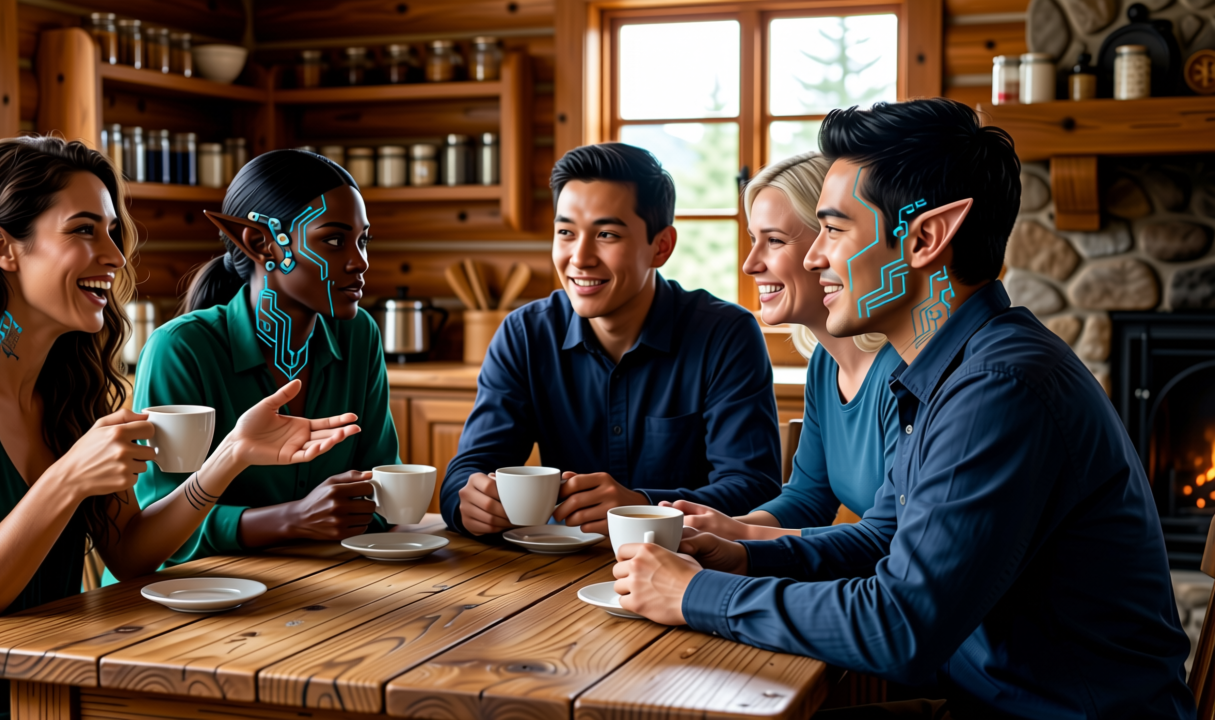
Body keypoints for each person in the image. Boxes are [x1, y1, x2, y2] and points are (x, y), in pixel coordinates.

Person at [611, 98, 1195, 718]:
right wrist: (746, 553)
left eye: (834, 230)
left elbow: (899, 628)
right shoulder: (949, 370)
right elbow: (885, 536)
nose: (814, 256)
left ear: (924, 238)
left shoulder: (998, 388)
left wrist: (699, 593)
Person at [0, 137, 361, 720]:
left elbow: (128, 553)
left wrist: (228, 457)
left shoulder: (67, 391)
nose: (115, 256)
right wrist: (68, 478)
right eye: (83, 231)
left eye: (111, 231)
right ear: (0, 245)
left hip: (41, 689)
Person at [441, 142, 782, 538]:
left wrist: (642, 507)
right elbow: (469, 471)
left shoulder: (725, 334)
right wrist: (467, 502)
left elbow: (754, 490)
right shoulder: (525, 334)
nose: (580, 257)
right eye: (566, 232)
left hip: (688, 570)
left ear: (661, 246)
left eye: (605, 234)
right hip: (554, 567)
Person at [131, 149, 401, 556]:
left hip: (310, 584)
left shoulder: (359, 335)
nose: (360, 262)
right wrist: (291, 519)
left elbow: (382, 485)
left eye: (363, 241)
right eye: (333, 240)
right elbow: (155, 524)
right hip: (171, 597)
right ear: (262, 243)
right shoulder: (181, 349)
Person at [667, 151, 901, 541]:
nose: (750, 264)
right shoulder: (826, 365)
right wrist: (728, 529)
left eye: (774, 241)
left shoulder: (902, 370)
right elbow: (808, 498)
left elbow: (890, 537)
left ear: (831, 244)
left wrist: (744, 543)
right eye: (753, 240)